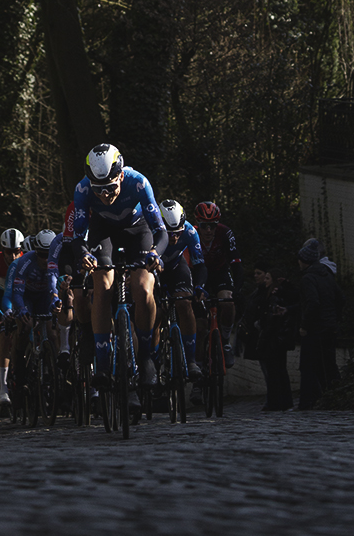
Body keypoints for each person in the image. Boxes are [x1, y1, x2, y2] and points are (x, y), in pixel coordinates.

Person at [71, 143, 168, 389]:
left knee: (144, 288)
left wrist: (156, 253)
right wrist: (83, 253)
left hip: (138, 230)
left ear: (121, 175)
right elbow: (78, 235)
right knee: (102, 286)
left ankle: (145, 356)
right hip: (104, 231)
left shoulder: (138, 183)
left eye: (111, 188)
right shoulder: (82, 189)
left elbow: (161, 231)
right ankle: (103, 364)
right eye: (99, 190)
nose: (105, 195)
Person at [155, 200, 206, 379]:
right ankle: (153, 360)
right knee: (155, 313)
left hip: (177, 267)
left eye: (178, 233)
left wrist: (199, 287)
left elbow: (200, 264)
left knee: (185, 304)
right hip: (155, 269)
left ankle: (190, 360)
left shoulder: (190, 231)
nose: (175, 238)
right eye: (170, 234)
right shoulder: (150, 227)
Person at [192, 201, 242, 369]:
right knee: (200, 327)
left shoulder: (226, 233)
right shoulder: (191, 233)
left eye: (212, 226)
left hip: (220, 272)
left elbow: (236, 263)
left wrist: (238, 289)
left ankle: (226, 341)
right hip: (199, 274)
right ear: (198, 224)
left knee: (227, 301)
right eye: (204, 226)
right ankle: (197, 370)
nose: (208, 230)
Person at [297, 239, 344, 410]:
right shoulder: (327, 275)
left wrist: (304, 325)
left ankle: (307, 402)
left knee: (308, 366)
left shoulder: (308, 279)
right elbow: (340, 298)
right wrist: (335, 318)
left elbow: (313, 303)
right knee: (329, 364)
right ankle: (335, 397)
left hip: (315, 329)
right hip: (329, 326)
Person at [0, 227, 24, 405]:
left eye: (16, 251)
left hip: (19, 294)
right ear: (3, 250)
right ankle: (3, 388)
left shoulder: (25, 259)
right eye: (9, 252)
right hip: (0, 297)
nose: (13, 256)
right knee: (4, 336)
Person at [256, 267, 298, 412]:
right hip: (279, 338)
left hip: (274, 338)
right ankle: (283, 402)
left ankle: (276, 402)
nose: (265, 281)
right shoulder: (276, 295)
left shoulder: (274, 296)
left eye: (268, 278)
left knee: (275, 371)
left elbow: (271, 320)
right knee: (279, 371)